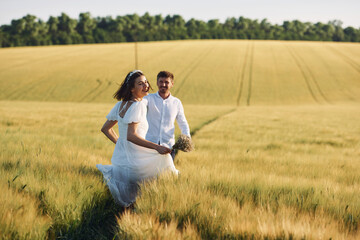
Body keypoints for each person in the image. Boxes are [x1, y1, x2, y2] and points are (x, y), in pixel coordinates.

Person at [96, 70, 178, 207]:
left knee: (131, 198)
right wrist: (157, 147)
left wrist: (120, 144)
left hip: (123, 157)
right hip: (136, 158)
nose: (146, 85)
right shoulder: (138, 105)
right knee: (165, 161)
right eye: (140, 84)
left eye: (146, 82)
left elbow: (106, 129)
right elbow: (131, 135)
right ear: (132, 89)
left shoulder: (120, 105)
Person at [144, 71, 191, 159]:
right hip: (150, 145)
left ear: (172, 84)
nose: (163, 84)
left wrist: (187, 139)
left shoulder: (176, 102)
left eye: (166, 82)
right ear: (157, 83)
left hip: (168, 147)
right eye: (161, 82)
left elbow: (183, 123)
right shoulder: (148, 99)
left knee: (167, 173)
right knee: (149, 173)